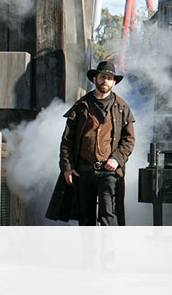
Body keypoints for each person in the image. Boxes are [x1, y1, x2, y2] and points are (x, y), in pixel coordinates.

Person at [46, 61, 136, 225]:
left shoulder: (122, 107)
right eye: (102, 77)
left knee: (109, 217)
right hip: (84, 171)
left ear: (114, 82)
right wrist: (67, 168)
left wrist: (116, 159)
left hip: (109, 172)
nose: (105, 81)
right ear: (95, 79)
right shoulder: (81, 106)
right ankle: (89, 252)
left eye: (109, 78)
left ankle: (108, 252)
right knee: (85, 219)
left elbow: (129, 140)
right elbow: (67, 140)